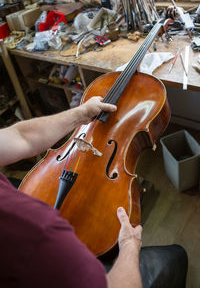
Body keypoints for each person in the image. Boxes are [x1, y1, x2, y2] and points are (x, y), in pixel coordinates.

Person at [0, 96, 187, 288]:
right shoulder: (39, 232)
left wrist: (80, 114)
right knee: (176, 255)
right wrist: (130, 245)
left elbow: (21, 136)